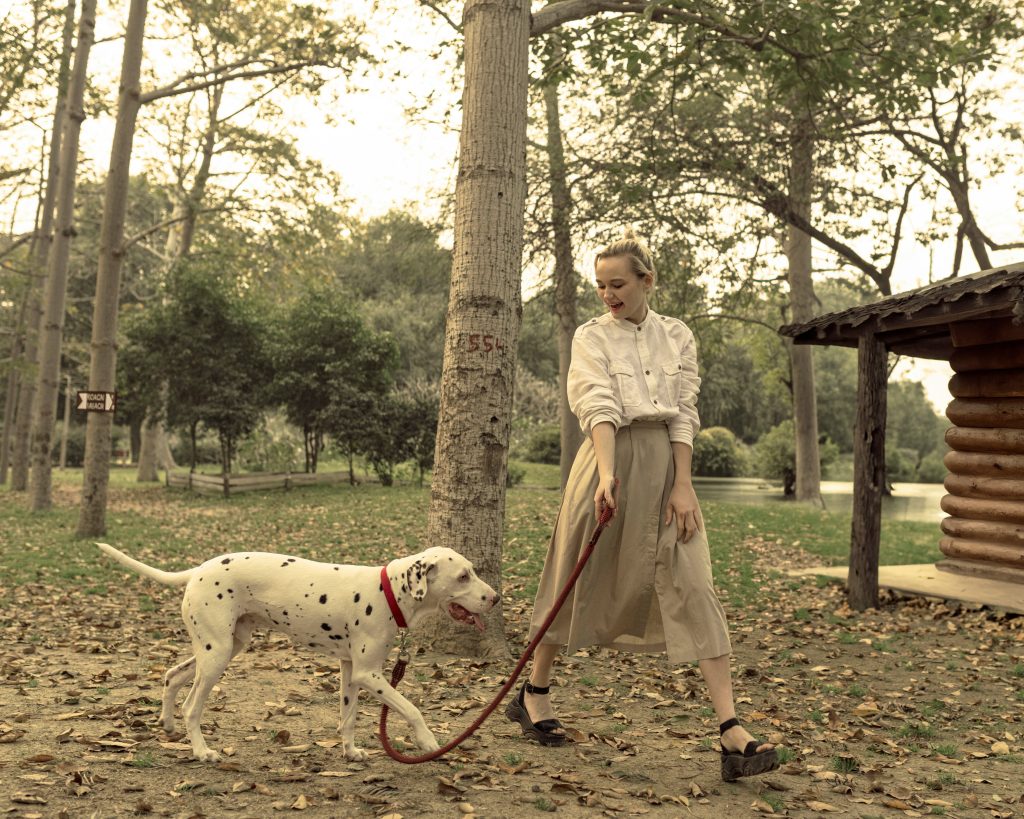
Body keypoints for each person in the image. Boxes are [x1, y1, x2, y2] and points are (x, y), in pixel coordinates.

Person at [506, 229, 779, 781]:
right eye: (600, 286)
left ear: (646, 281)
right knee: (573, 579)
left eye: (618, 284)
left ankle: (730, 731)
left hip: (666, 472)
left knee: (696, 584)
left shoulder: (677, 335)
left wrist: (684, 483)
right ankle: (534, 692)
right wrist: (608, 474)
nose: (608, 294)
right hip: (607, 464)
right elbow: (596, 404)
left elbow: (684, 411)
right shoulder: (591, 337)